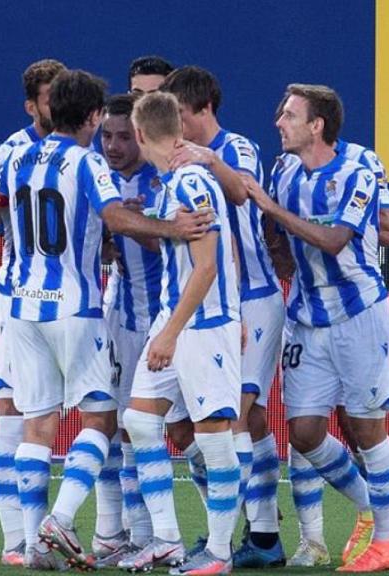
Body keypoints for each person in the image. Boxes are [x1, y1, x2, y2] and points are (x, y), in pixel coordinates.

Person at [0, 69, 214, 571]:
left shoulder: (15, 157)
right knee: (100, 418)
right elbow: (116, 218)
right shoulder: (87, 163)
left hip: (20, 307)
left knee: (38, 424)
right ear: (95, 115)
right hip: (73, 307)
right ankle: (60, 516)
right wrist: (171, 227)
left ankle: (35, 546)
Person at [246, 83, 389, 573]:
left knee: (366, 428)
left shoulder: (358, 173)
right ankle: (364, 506)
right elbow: (274, 231)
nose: (279, 121)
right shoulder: (284, 169)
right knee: (305, 432)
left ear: (317, 125)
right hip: (307, 318)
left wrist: (272, 211)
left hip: (359, 317)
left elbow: (337, 239)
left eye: (289, 114)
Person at [162, 66, 287, 567]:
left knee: (231, 418)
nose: (177, 128)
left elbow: (243, 195)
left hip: (250, 297)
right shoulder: (176, 160)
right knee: (197, 425)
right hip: (215, 302)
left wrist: (208, 159)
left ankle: (243, 539)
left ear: (204, 110)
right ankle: (255, 531)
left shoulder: (235, 149)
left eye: (182, 116)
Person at [117, 91, 242, 575]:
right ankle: (167, 540)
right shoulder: (172, 182)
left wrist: (169, 333)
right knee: (141, 421)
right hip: (180, 322)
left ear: (142, 134)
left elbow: (207, 267)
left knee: (214, 436)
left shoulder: (190, 183)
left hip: (202, 327)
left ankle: (219, 552)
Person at [0, 57, 66, 568]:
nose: (61, 104)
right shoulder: (11, 152)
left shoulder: (87, 144)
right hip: (21, 297)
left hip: (86, 299)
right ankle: (18, 539)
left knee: (104, 416)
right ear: (32, 105)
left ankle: (117, 533)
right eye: (52, 97)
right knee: (15, 412)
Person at [89, 93, 163, 566]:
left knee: (186, 434)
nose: (113, 146)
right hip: (120, 320)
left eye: (122, 136)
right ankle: (120, 535)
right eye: (106, 136)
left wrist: (132, 222)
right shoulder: (99, 178)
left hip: (167, 322)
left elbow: (176, 244)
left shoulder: (163, 178)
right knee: (115, 426)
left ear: (140, 135)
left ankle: (249, 521)